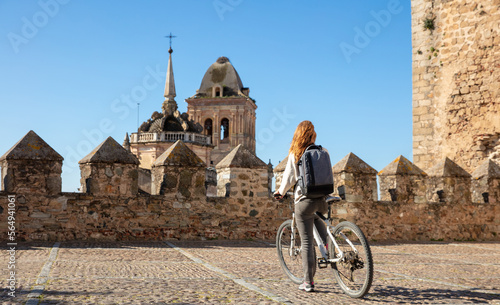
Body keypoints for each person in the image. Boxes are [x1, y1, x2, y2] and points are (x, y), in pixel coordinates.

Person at [274, 120, 329, 293]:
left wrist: (280, 192)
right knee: (323, 232)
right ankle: (330, 250)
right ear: (313, 134)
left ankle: (308, 282)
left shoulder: (295, 154)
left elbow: (289, 179)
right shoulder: (323, 151)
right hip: (323, 200)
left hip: (304, 201)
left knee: (306, 243)